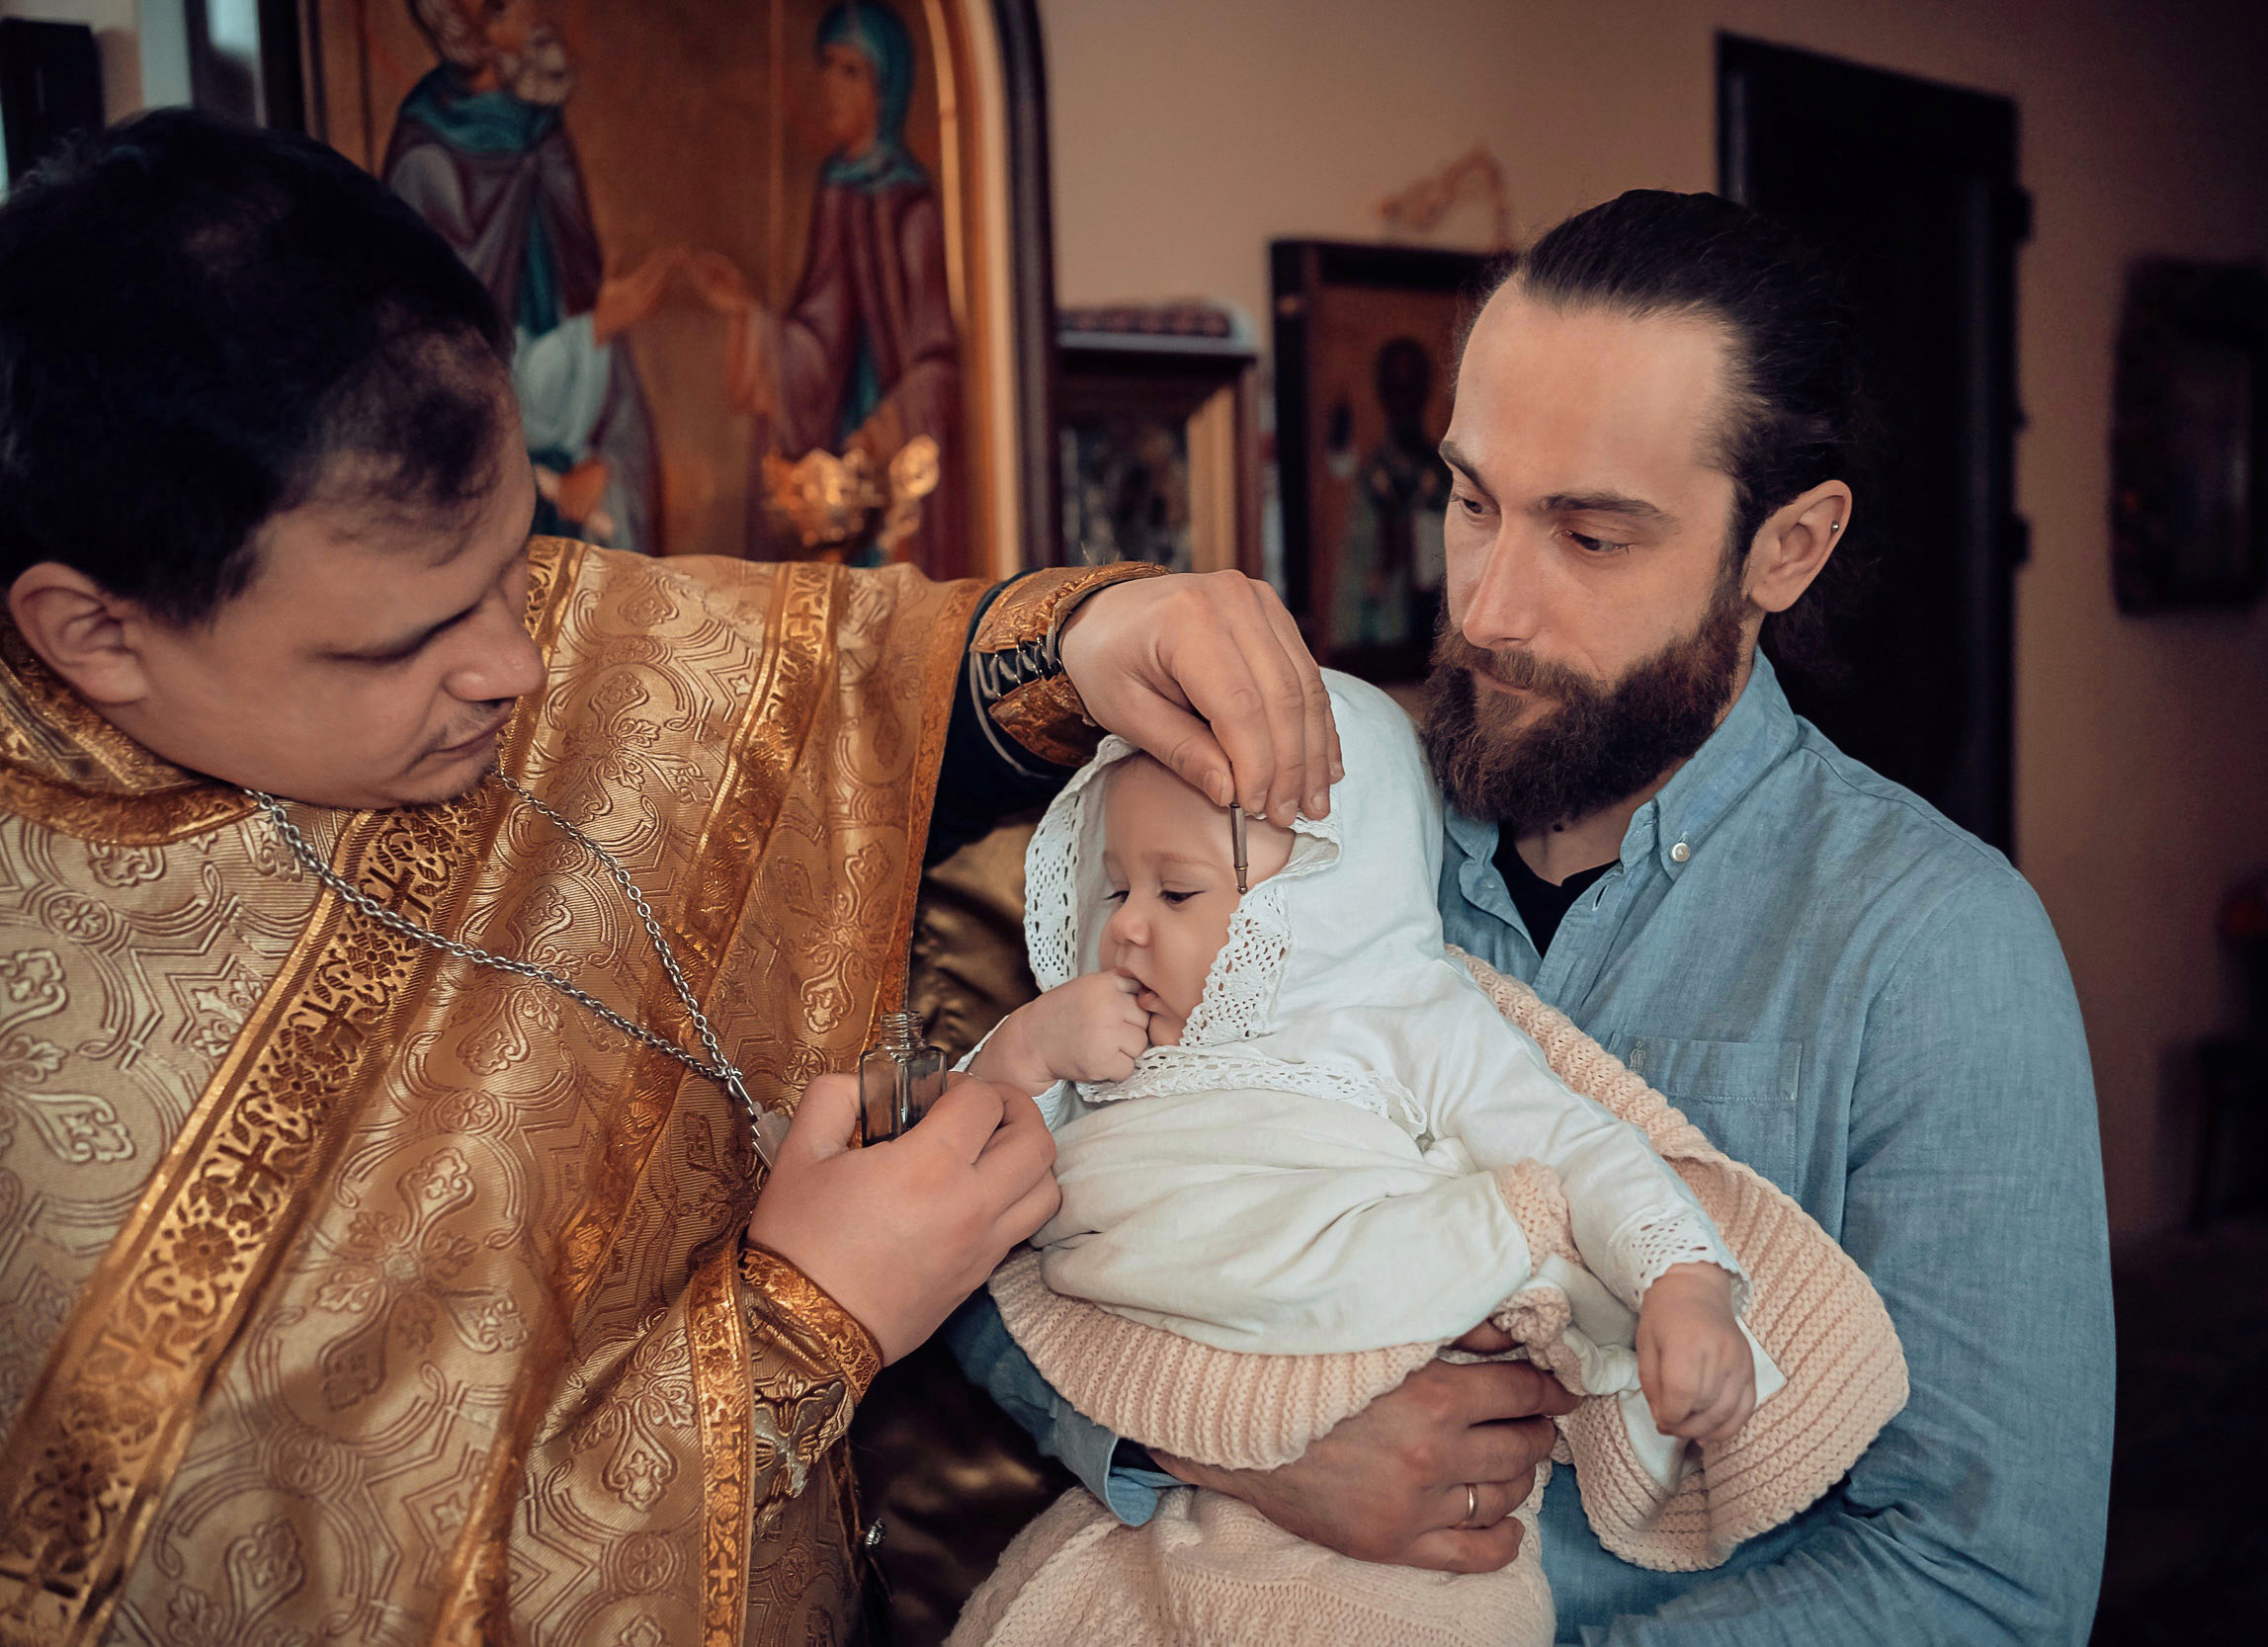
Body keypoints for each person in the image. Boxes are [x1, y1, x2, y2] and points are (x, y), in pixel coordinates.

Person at [0, 111, 1335, 1646]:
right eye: (408, 642)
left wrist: (1091, 634)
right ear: (96, 632)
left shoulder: (486, 618)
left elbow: (839, 680)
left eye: (520, 562)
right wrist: (800, 1323)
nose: (520, 665)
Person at [956, 190, 2115, 1643]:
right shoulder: (1295, 834)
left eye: (1590, 534)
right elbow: (1014, 1250)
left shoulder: (1937, 949)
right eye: (1471, 501)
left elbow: (1980, 1586)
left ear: (1787, 547)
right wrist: (1230, 1441)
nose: (1489, 607)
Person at [691, 0, 964, 575]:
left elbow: (938, 361)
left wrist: (883, 429)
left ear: (886, 87)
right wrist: (749, 317)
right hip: (837, 448)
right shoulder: (836, 188)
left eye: (850, 71)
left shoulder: (911, 206)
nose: (830, 87)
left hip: (888, 456)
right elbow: (818, 337)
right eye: (826, 67)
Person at [386, 0, 670, 553]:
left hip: (571, 465)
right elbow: (450, 362)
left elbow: (582, 294)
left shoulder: (544, 136)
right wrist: (593, 330)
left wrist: (604, 459)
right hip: (482, 481)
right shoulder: (425, 159)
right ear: (477, 28)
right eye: (509, 5)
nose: (536, 13)